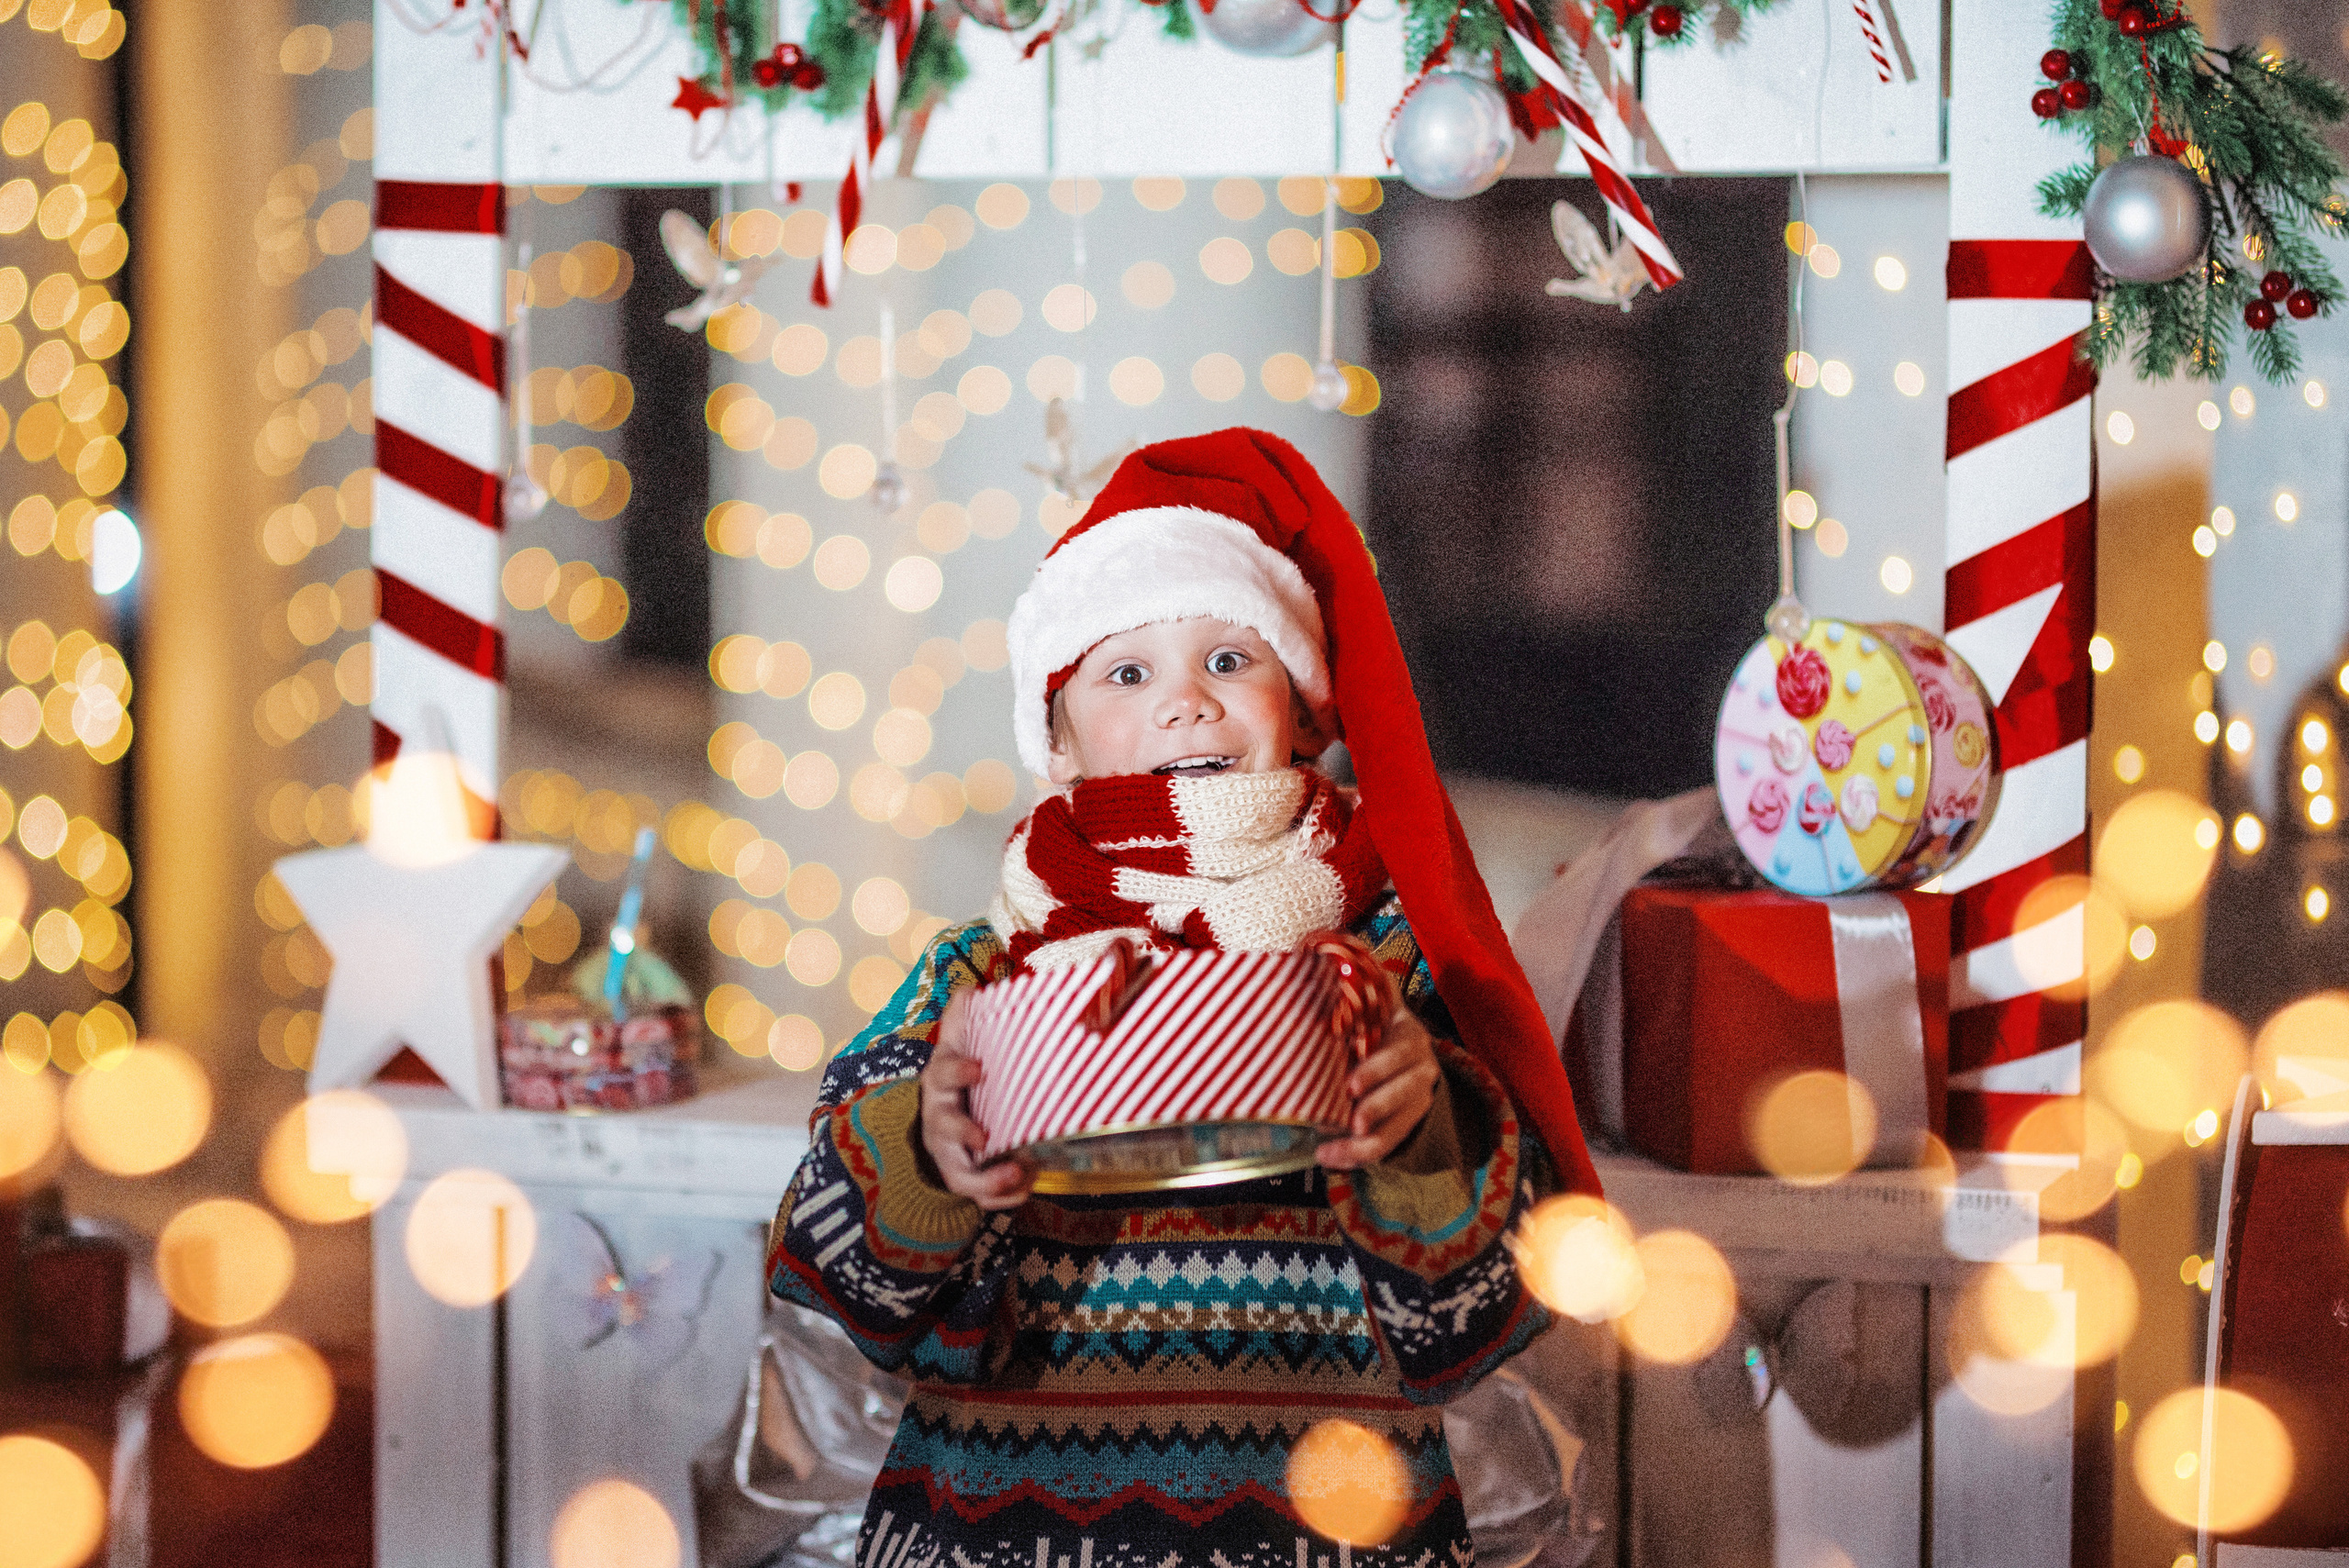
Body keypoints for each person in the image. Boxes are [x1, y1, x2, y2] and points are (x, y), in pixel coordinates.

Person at [767, 428, 1600, 1568]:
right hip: (997, 1532)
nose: (1185, 704)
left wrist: (1420, 1131)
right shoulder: (981, 973)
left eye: (1227, 660)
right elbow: (838, 1283)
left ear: (1307, 713)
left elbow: (1479, 1318)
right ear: (1053, 744)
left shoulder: (1384, 969)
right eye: (1125, 672)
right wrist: (928, 1145)